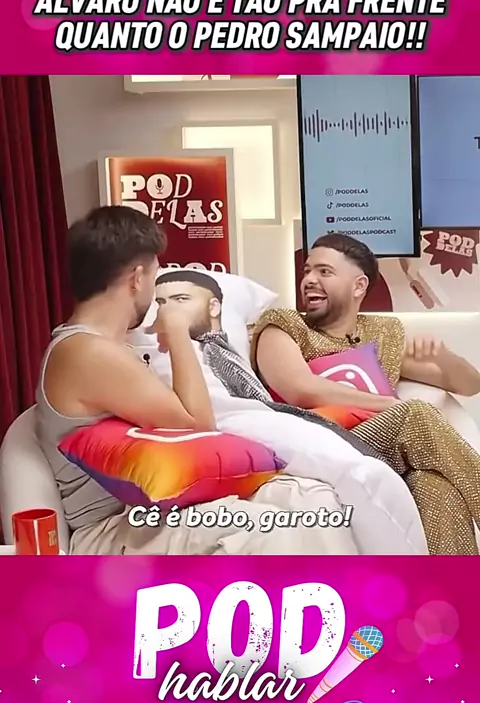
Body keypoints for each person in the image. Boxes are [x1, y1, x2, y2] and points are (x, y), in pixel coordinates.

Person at [35, 206, 361, 556]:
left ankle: (346, 591)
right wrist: (178, 330)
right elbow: (198, 424)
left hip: (154, 509)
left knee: (314, 500)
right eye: (155, 275)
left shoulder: (108, 348)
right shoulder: (86, 352)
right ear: (137, 278)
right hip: (111, 530)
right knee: (273, 531)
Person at [150, 270, 428, 556]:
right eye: (160, 303)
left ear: (214, 307)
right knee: (371, 475)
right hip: (242, 420)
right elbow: (297, 390)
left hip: (277, 415)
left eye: (180, 300)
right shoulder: (162, 350)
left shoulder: (381, 331)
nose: (167, 310)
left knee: (424, 470)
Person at [250, 232, 480, 555]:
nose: (309, 280)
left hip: (378, 453)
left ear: (358, 286)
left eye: (324, 272)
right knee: (413, 413)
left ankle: (452, 588)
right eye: (307, 271)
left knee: (436, 485)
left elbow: (471, 385)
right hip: (318, 444)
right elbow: (300, 389)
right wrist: (388, 405)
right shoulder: (284, 325)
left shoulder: (382, 334)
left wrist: (443, 357)